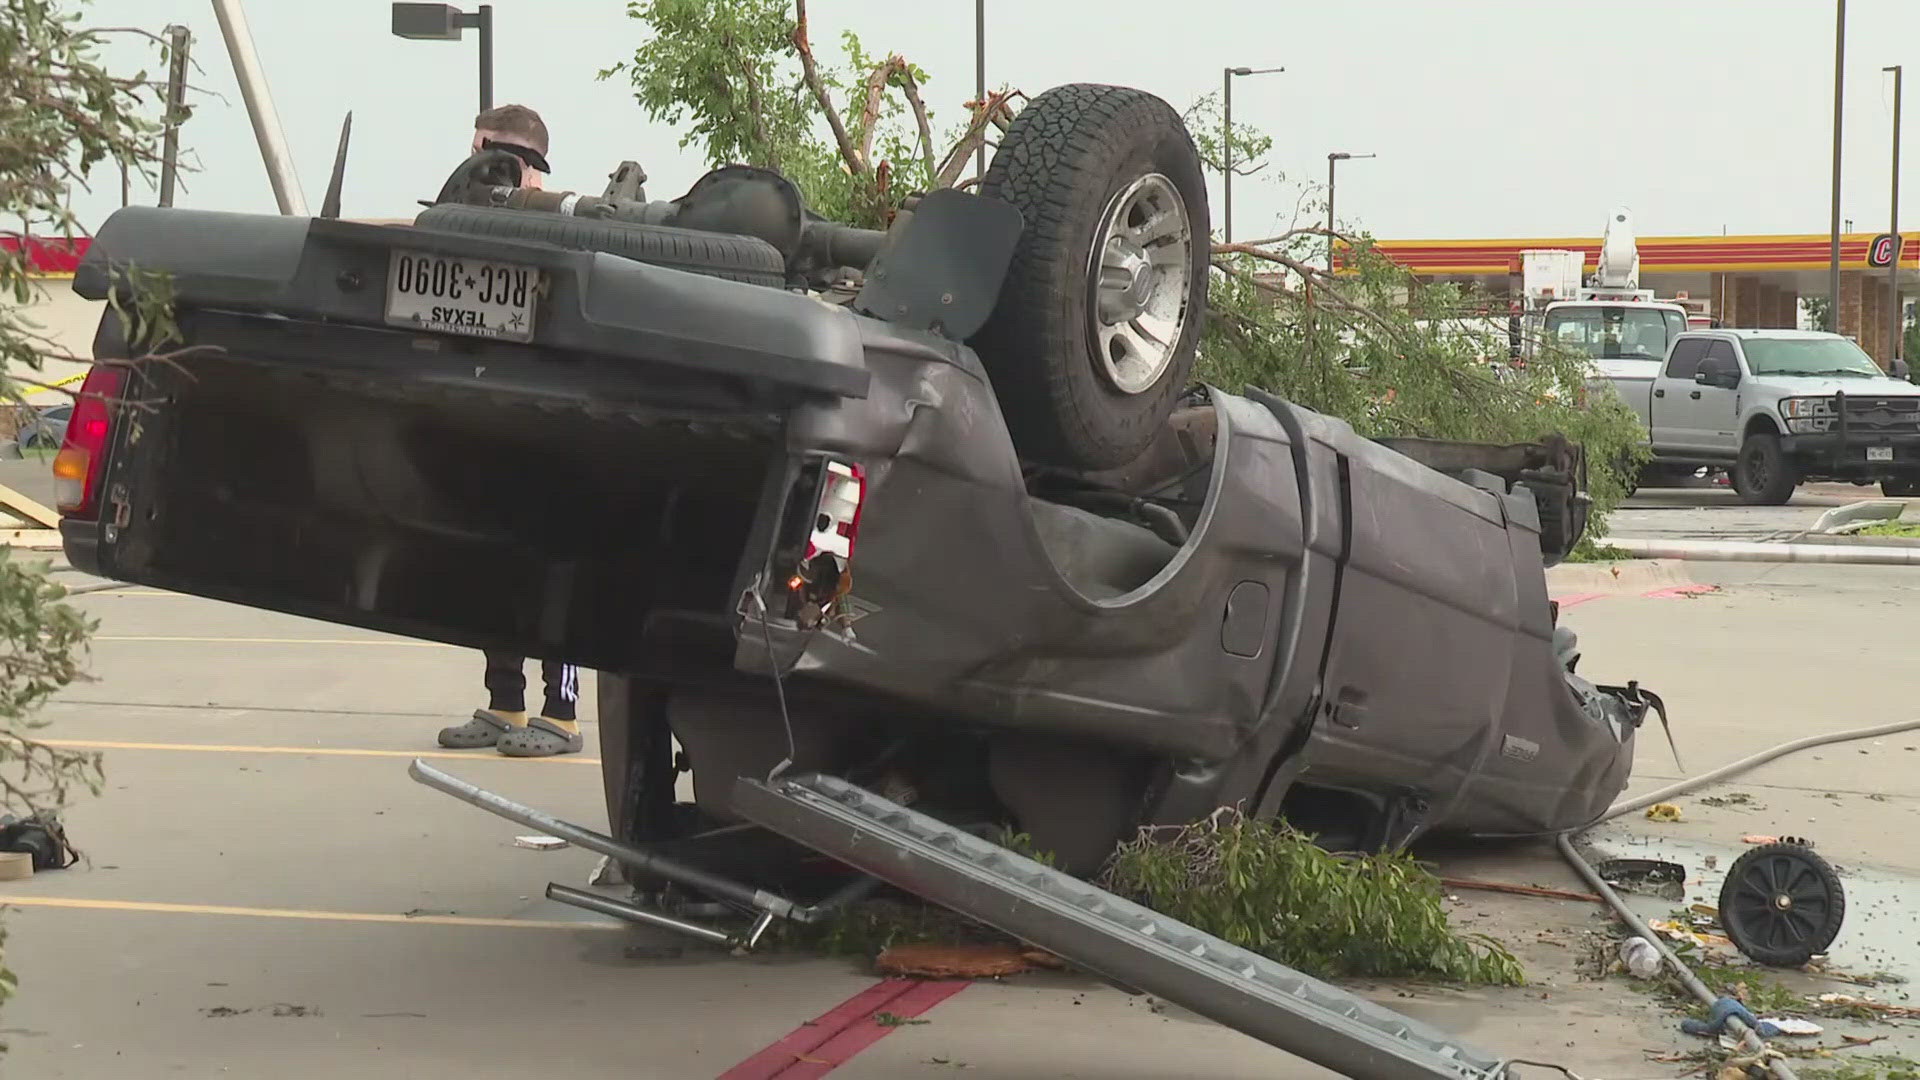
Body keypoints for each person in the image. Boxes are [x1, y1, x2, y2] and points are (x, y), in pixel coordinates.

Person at [433, 103, 581, 758]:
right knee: (493, 572)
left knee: (558, 577)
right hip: (491, 421)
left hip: (556, 436)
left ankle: (563, 713)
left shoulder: (565, 228)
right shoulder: (477, 221)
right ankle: (505, 704)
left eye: (480, 148)